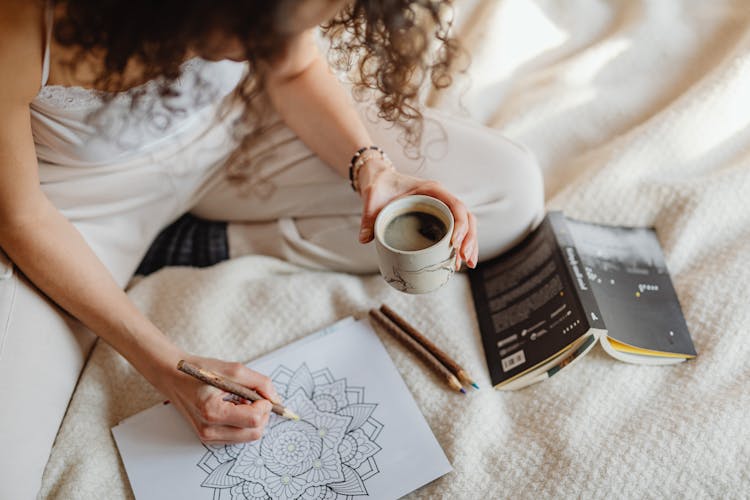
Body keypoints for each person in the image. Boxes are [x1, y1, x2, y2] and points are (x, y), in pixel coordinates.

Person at [0, 0, 544, 497]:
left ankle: (211, 241)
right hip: (78, 206)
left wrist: (374, 172)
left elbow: (292, 69)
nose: (268, 45)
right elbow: (21, 217)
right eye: (254, 31)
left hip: (237, 136)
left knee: (508, 190)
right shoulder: (18, 21)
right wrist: (171, 366)